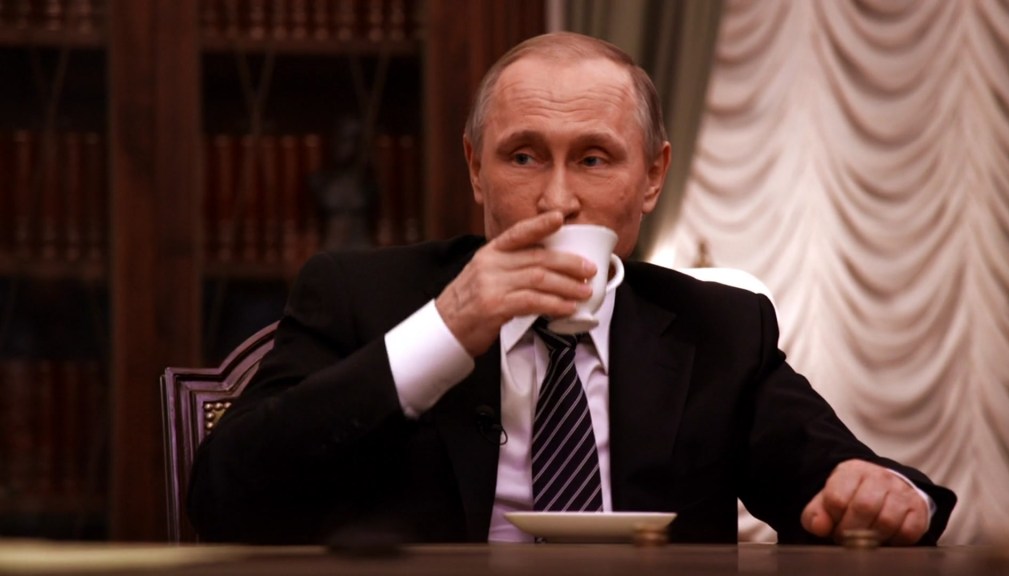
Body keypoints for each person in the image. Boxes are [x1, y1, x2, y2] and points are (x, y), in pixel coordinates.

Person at [188, 32, 956, 546]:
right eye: (523, 157)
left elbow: (835, 475)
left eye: (594, 159)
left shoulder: (721, 327)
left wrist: (881, 493)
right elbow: (225, 499)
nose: (557, 201)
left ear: (651, 176)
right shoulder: (359, 294)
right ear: (475, 169)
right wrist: (446, 330)